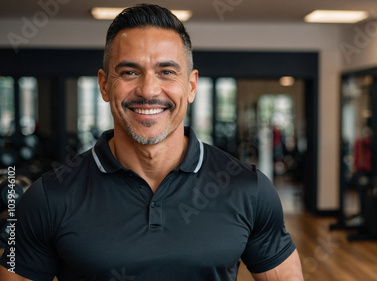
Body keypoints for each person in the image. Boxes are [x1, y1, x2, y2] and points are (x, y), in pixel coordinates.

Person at [0, 3, 304, 281]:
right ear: (105, 85)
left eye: (167, 72)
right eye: (130, 72)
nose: (148, 90)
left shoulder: (249, 189)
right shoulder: (48, 198)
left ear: (191, 85)